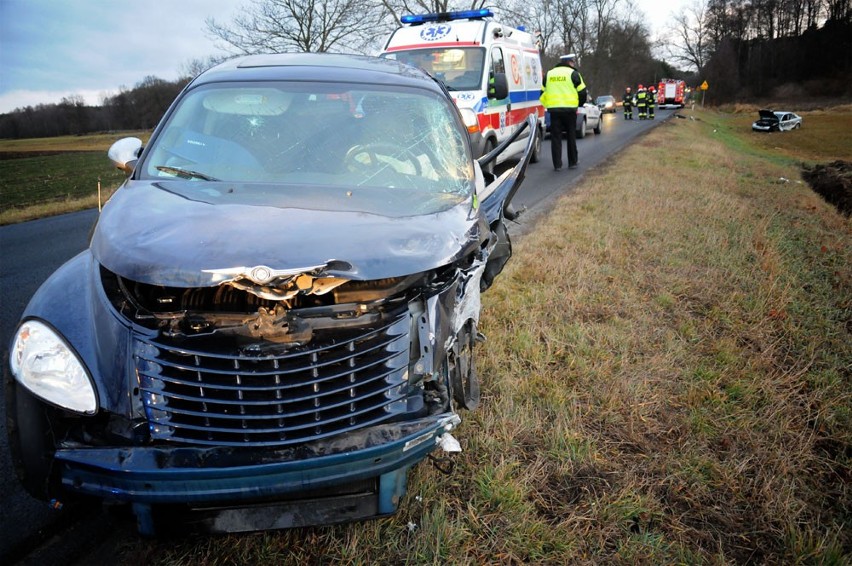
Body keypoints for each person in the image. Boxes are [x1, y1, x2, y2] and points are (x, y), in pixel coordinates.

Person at [540, 53, 587, 171]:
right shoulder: (574, 74)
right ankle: (572, 162)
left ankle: (557, 165)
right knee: (571, 135)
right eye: (572, 62)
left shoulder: (549, 74)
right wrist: (579, 105)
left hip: (554, 111)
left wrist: (549, 105)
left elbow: (542, 93)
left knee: (556, 137)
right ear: (569, 62)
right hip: (570, 110)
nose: (573, 64)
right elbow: (582, 92)